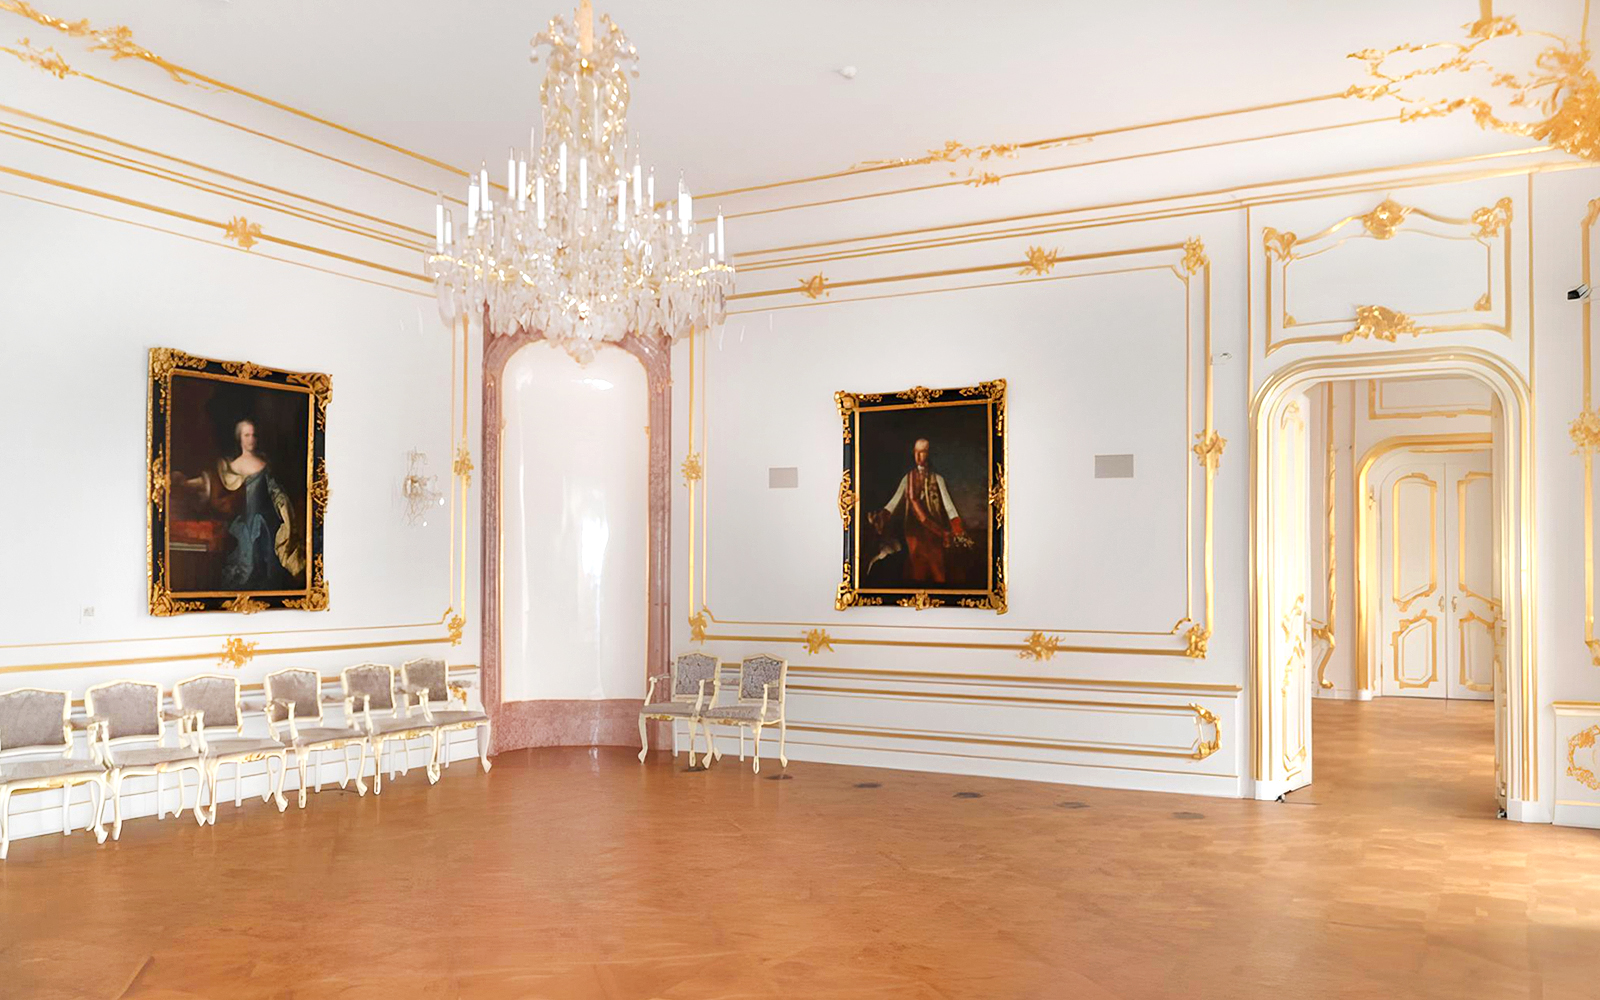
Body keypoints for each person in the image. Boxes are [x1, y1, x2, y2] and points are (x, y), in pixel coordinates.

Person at [170, 418, 305, 589]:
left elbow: (276, 492)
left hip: (268, 525)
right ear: (239, 438)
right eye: (246, 435)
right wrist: (185, 483)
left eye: (254, 435)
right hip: (246, 526)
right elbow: (213, 484)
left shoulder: (266, 464)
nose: (251, 439)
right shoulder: (232, 467)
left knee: (271, 566)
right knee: (246, 566)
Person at [866, 438, 973, 584]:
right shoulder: (907, 479)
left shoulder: (938, 479)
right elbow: (894, 502)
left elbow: (949, 507)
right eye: (916, 452)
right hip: (913, 533)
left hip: (935, 533)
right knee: (917, 570)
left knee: (938, 571)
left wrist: (957, 528)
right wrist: (880, 518)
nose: (918, 456)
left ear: (929, 454)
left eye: (922, 452)